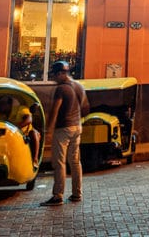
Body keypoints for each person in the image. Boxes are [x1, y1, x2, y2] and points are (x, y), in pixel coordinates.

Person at [41, 60, 88, 206]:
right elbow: (85, 107)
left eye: (55, 75)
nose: (54, 78)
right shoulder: (78, 86)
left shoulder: (61, 89)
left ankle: (58, 196)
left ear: (61, 73)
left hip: (63, 129)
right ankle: (76, 194)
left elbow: (54, 110)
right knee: (74, 161)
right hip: (77, 127)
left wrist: (48, 129)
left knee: (59, 162)